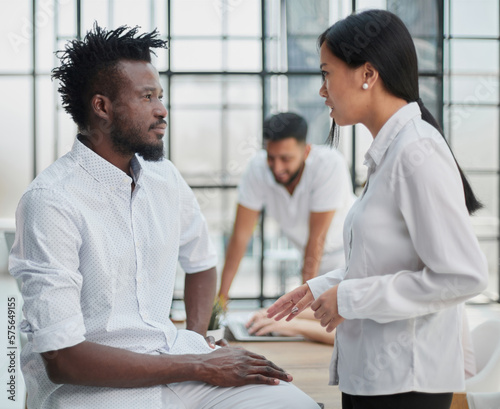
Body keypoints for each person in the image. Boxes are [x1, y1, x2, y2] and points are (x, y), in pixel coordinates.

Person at [8, 24, 320, 409]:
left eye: (160, 95)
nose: (162, 109)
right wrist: (198, 366)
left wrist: (198, 340)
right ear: (102, 107)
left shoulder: (163, 177)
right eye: (146, 97)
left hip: (174, 360)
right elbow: (63, 359)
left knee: (294, 405)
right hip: (89, 391)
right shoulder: (51, 201)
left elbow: (202, 262)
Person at [267, 9, 488, 409]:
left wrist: (348, 299)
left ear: (367, 74)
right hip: (377, 379)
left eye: (327, 73)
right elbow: (384, 261)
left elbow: (464, 275)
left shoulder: (415, 151)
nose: (322, 90)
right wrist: (318, 288)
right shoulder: (391, 153)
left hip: (407, 383)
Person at [218, 112, 355, 303]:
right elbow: (240, 237)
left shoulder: (329, 164)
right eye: (271, 157)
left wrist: (300, 304)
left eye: (286, 158)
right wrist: (221, 300)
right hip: (309, 260)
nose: (277, 168)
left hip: (349, 258)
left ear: (306, 151)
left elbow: (316, 240)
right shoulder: (257, 168)